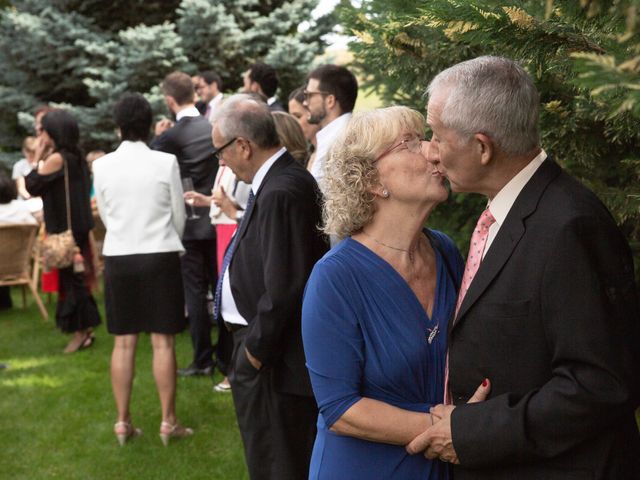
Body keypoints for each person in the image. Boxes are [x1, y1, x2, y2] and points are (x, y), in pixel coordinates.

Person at [406, 56, 640, 479]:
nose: (430, 152)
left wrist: (475, 431)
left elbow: (601, 386)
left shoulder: (569, 226)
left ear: (482, 147)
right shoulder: (513, 211)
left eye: (437, 137)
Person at [301, 106, 488, 479]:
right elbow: (340, 409)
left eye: (427, 139)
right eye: (410, 143)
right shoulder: (335, 278)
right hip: (366, 467)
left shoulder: (444, 251)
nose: (432, 151)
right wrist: (449, 429)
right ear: (371, 180)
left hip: (442, 463)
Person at [211, 94, 328, 479]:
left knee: (277, 462)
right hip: (264, 350)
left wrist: (254, 355)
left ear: (243, 145)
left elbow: (285, 287)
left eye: (221, 152)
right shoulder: (277, 182)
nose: (221, 162)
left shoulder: (281, 189)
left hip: (272, 357)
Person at [93, 92, 192, 446]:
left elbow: (105, 214)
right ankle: (169, 422)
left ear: (118, 127)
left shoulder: (101, 166)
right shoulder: (165, 162)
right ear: (150, 126)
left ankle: (122, 422)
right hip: (160, 253)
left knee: (123, 344)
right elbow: (178, 217)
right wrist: (168, 240)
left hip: (119, 256)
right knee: (163, 343)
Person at [151, 71, 218, 377]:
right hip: (217, 217)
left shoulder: (171, 136)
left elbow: (151, 167)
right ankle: (227, 357)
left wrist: (158, 134)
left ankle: (203, 359)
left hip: (190, 223)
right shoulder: (212, 126)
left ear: (169, 100)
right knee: (220, 288)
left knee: (194, 291)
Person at [25, 109, 101, 353]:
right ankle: (86, 330)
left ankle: (80, 333)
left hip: (63, 231)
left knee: (71, 283)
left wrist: (37, 155)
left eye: (44, 130)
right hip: (77, 228)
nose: (41, 135)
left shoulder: (56, 159)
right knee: (76, 281)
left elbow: (32, 185)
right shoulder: (75, 157)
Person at [303, 64, 358, 189]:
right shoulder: (336, 134)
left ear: (330, 100)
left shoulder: (339, 139)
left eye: (309, 95)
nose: (305, 102)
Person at [288, 87, 320, 170]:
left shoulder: (330, 151)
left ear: (312, 113)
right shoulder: (310, 153)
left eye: (298, 116)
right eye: (291, 118)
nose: (293, 124)